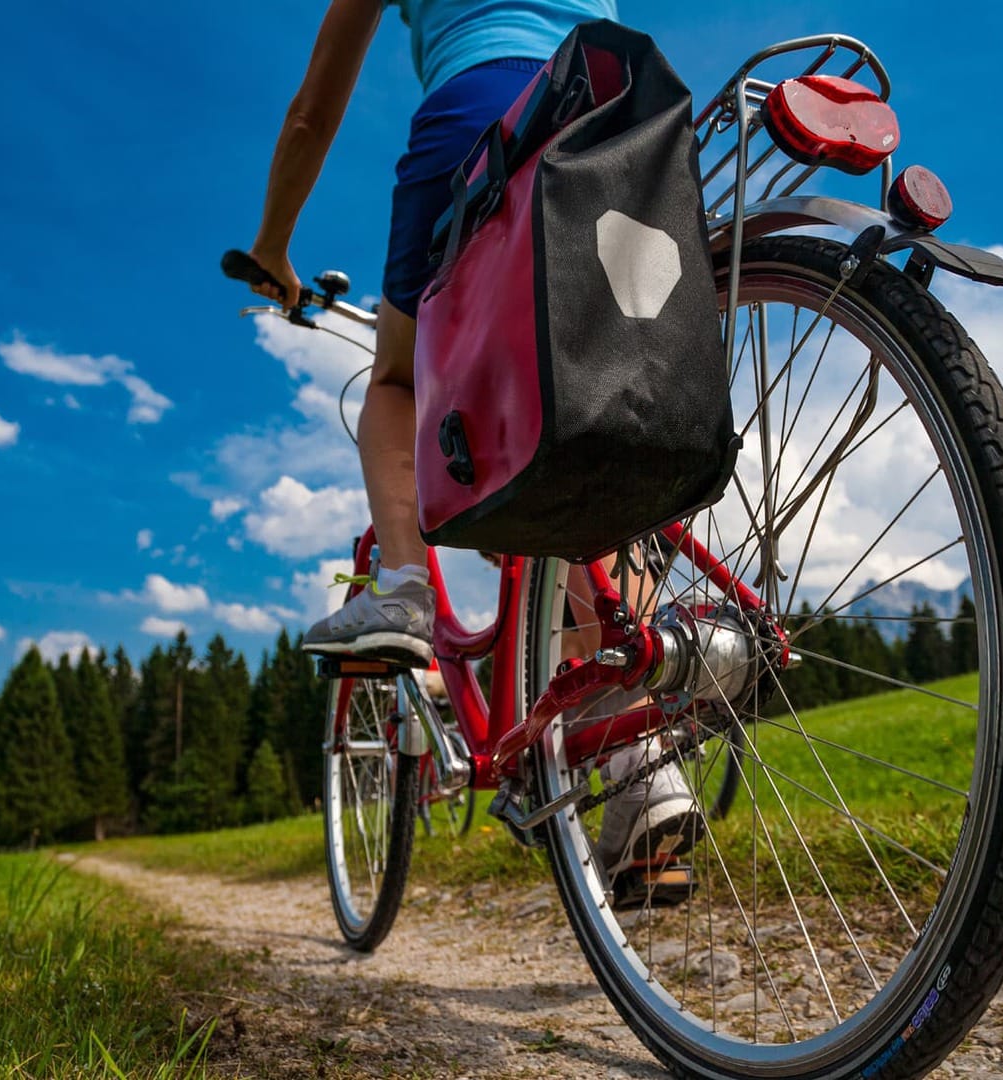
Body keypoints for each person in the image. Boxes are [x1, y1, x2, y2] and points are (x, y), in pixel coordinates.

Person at [242, 0, 701, 889]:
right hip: (613, 107)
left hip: (484, 110)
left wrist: (273, 247)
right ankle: (641, 773)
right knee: (589, 414)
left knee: (397, 382)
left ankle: (404, 589)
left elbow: (312, 111)